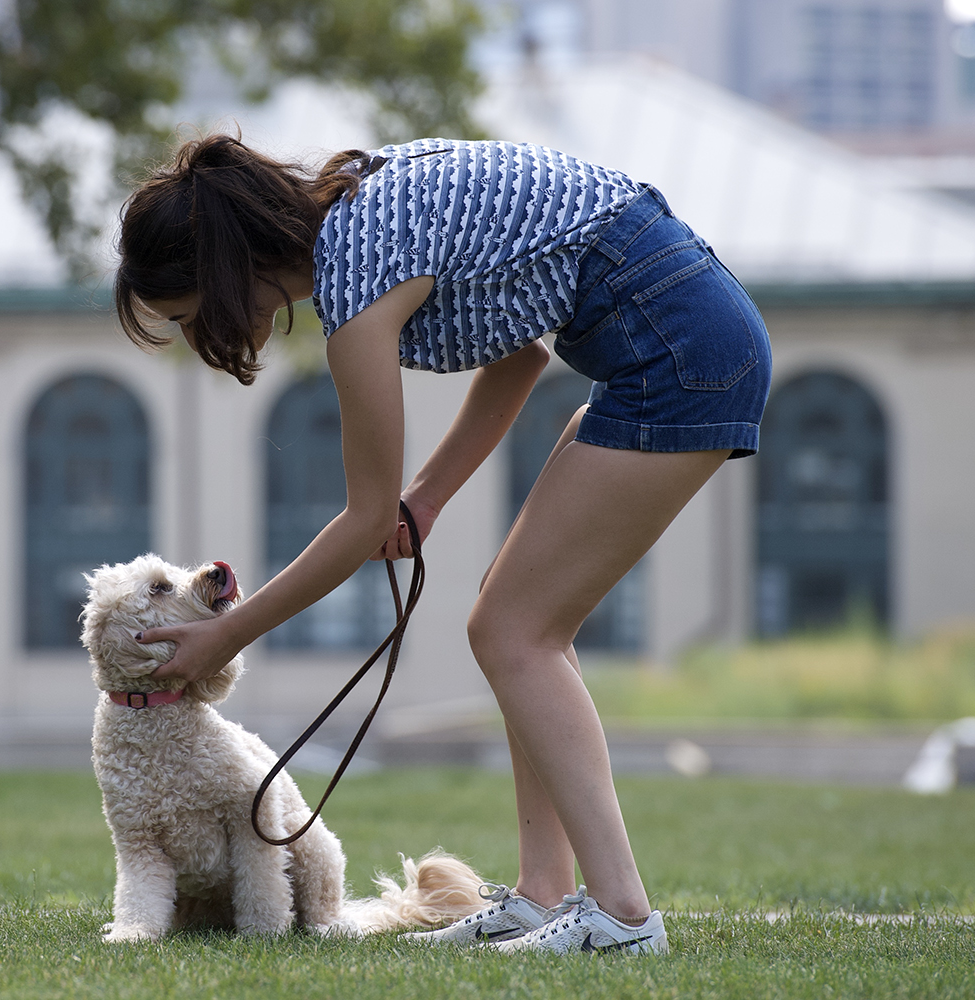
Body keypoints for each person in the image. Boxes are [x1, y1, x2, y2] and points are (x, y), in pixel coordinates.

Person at [113, 134, 770, 955]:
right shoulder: (357, 211)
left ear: (214, 272)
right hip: (668, 334)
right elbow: (520, 355)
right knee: (512, 619)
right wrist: (422, 502)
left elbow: (360, 521)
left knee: (514, 630)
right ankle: (542, 895)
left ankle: (624, 918)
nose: (195, 335)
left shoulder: (356, 277)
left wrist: (222, 636)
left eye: (184, 315)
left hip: (677, 349)